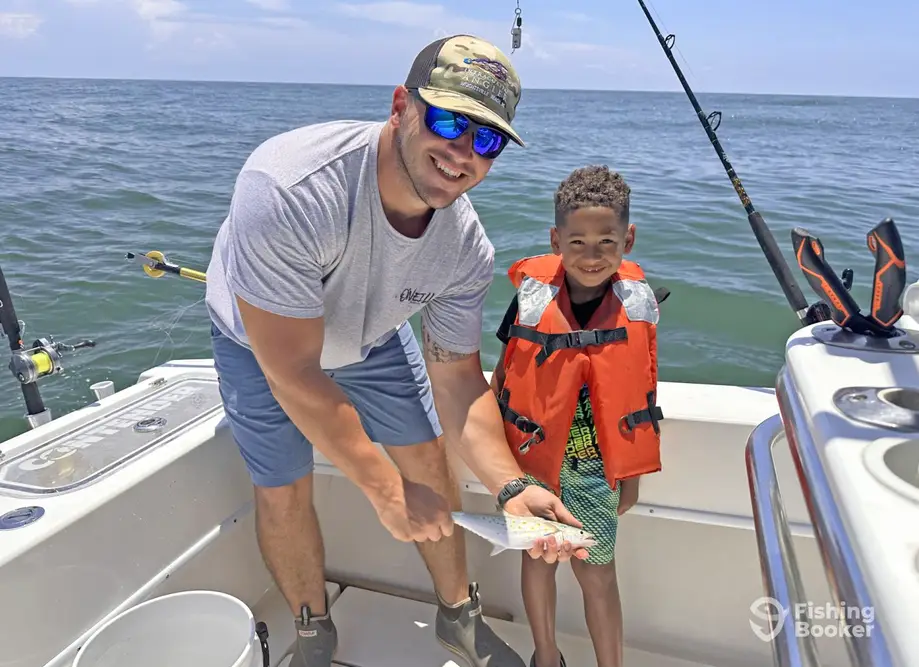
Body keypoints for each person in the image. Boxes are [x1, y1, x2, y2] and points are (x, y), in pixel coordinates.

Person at [203, 34, 588, 667]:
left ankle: (458, 618)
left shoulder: (466, 250)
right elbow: (295, 371)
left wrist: (512, 487)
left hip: (372, 333)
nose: (461, 153)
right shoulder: (291, 188)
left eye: (486, 140)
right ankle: (312, 633)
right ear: (400, 106)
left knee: (431, 462)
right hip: (262, 343)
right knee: (282, 486)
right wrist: (383, 488)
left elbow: (459, 383)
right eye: (447, 121)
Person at [489, 165, 666, 667]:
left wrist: (629, 475)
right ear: (555, 239)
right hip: (534, 467)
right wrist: (505, 469)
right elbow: (504, 378)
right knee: (537, 563)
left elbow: (643, 391)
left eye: (606, 241)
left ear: (627, 239)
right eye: (578, 242)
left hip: (596, 473)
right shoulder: (531, 297)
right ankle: (546, 655)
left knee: (597, 574)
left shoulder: (638, 304)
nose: (592, 256)